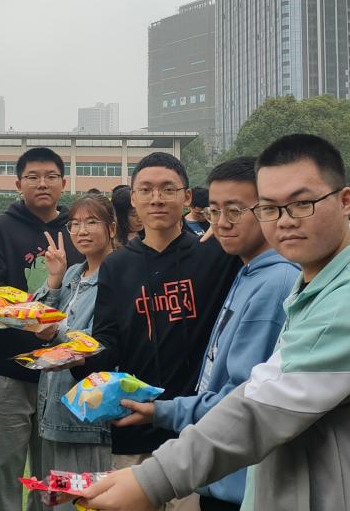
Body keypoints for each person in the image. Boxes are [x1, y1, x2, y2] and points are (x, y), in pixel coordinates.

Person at [79, 134, 350, 511]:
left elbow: (261, 409)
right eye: (270, 208)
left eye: (302, 204)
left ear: (346, 201)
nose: (284, 221)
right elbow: (261, 390)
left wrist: (152, 480)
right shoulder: (311, 286)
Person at [110, 157, 299, 511]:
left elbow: (243, 396)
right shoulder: (244, 271)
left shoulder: (272, 281)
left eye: (235, 211)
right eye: (214, 211)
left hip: (233, 468)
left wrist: (162, 412)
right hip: (209, 460)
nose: (222, 223)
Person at [74, 152, 239, 511]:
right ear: (133, 198)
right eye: (146, 190)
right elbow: (108, 342)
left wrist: (227, 223)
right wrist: (74, 353)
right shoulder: (117, 266)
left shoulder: (215, 255)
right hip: (133, 423)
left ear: (187, 197)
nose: (157, 198)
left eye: (168, 189)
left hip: (195, 428)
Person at [0, 146, 82, 511]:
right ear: (18, 184)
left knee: (54, 479)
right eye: (32, 177)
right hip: (5, 371)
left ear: (64, 183)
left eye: (51, 176)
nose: (42, 183)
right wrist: (33, 321)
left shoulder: (78, 230)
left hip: (62, 374)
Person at [31, 194, 117, 505]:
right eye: (75, 224)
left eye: (92, 222)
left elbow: (101, 344)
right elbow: (38, 319)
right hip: (53, 408)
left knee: (85, 500)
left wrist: (55, 331)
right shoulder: (73, 274)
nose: (82, 231)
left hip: (88, 417)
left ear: (111, 228)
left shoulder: (118, 276)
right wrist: (54, 279)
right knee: (58, 500)